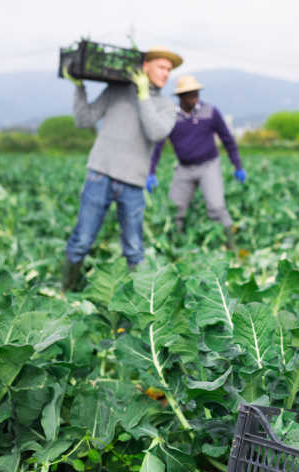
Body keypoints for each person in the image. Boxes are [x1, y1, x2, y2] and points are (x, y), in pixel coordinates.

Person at [61, 46, 183, 291]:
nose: (166, 73)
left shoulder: (168, 106)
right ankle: (65, 290)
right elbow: (83, 119)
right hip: (100, 174)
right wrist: (79, 87)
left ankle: (139, 302)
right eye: (161, 66)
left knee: (134, 249)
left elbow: (155, 132)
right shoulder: (116, 90)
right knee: (81, 241)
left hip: (133, 182)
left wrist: (143, 95)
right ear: (144, 66)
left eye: (169, 69)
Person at [147, 74, 246, 249]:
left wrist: (237, 165)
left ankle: (232, 248)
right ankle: (175, 249)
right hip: (183, 168)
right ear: (180, 97)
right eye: (189, 94)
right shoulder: (170, 116)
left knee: (216, 207)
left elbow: (227, 139)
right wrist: (151, 172)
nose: (194, 97)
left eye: (196, 93)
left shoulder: (210, 112)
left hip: (209, 165)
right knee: (175, 209)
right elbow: (158, 146)